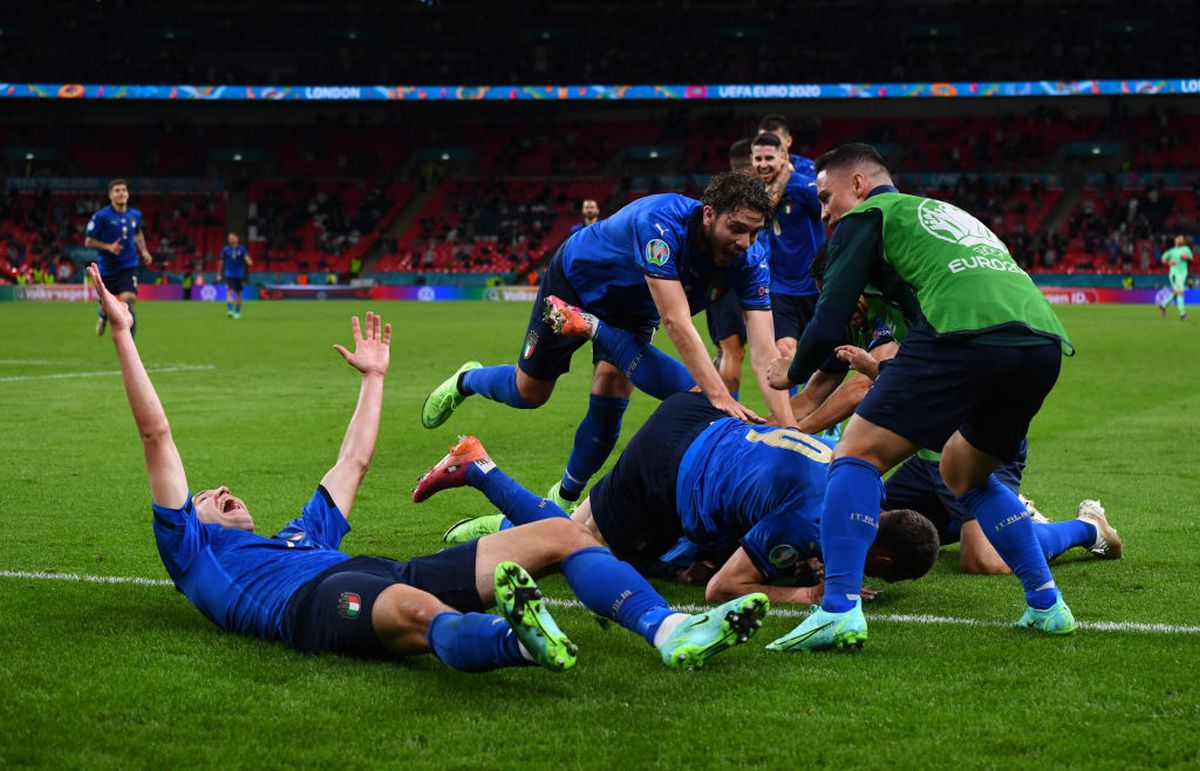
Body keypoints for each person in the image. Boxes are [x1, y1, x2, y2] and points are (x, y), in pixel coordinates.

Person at [90, 263, 767, 673]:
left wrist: (375, 378)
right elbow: (157, 434)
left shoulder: (302, 534)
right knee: (419, 613)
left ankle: (670, 629)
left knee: (566, 535)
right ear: (192, 522)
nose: (224, 492)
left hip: (376, 566)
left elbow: (353, 459)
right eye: (210, 495)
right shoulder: (194, 555)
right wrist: (124, 334)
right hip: (313, 607)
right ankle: (515, 641)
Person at [764, 143, 1077, 652]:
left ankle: (838, 610)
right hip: (1040, 342)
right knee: (964, 473)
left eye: (826, 197)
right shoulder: (939, 212)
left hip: (966, 333)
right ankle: (1046, 604)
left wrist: (787, 374)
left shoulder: (868, 216)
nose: (824, 212)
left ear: (859, 185)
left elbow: (827, 320)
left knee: (856, 454)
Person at [422, 172, 794, 514]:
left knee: (613, 389)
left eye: (755, 232)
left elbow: (764, 352)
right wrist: (718, 394)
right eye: (737, 229)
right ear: (709, 214)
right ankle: (466, 380)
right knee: (530, 393)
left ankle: (563, 500)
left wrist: (789, 425)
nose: (745, 242)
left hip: (635, 310)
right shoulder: (662, 223)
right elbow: (676, 320)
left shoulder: (751, 258)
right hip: (577, 285)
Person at [418, 391, 939, 607]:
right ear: (883, 557)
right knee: (575, 545)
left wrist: (812, 565)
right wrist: (807, 595)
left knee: (601, 538)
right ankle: (478, 467)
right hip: (667, 465)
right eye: (877, 573)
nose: (866, 577)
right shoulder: (809, 519)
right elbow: (722, 589)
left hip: (702, 422)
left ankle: (493, 521)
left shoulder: (869, 484)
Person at [792, 248, 1122, 573]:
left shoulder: (904, 304)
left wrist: (802, 429)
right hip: (928, 459)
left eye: (835, 294)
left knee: (985, 560)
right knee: (872, 526)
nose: (833, 307)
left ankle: (1086, 528)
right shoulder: (854, 319)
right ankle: (1001, 517)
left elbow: (868, 387)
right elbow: (817, 390)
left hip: (972, 448)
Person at [751, 132, 824, 364]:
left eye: (769, 158)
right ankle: (789, 402)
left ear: (783, 157)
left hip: (813, 285)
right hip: (780, 286)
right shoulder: (755, 193)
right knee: (784, 351)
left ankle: (810, 401)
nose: (763, 165)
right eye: (758, 159)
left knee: (817, 358)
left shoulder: (803, 188)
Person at [704, 139, 755, 399]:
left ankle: (701, 410)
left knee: (725, 352)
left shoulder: (724, 197)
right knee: (734, 351)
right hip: (731, 279)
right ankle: (725, 419)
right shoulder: (747, 199)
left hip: (717, 280)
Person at [84, 179, 153, 338]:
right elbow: (88, 241)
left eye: (124, 190)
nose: (121, 193)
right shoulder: (101, 216)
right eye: (117, 190)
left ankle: (130, 346)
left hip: (128, 266)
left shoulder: (135, 215)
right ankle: (104, 313)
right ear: (110, 195)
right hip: (107, 269)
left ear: (128, 194)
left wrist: (144, 251)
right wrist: (109, 247)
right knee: (109, 306)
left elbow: (137, 233)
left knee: (129, 301)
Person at [218, 232, 254, 319]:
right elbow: (221, 262)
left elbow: (246, 257)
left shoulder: (242, 249)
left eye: (233, 237)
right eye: (229, 237)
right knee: (229, 292)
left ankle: (237, 312)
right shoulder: (226, 249)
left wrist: (249, 261)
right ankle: (230, 311)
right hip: (229, 273)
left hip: (239, 274)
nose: (231, 238)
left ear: (237, 238)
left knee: (238, 294)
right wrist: (219, 273)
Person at [1156, 235, 1192, 320]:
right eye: (1179, 238)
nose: (1180, 239)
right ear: (1175, 240)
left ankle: (1163, 305)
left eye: (1182, 239)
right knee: (1180, 292)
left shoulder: (1186, 249)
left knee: (1176, 292)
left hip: (1183, 274)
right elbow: (1162, 259)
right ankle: (1182, 314)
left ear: (1183, 242)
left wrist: (1186, 257)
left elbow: (1191, 258)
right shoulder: (1171, 251)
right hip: (1175, 274)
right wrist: (1168, 262)